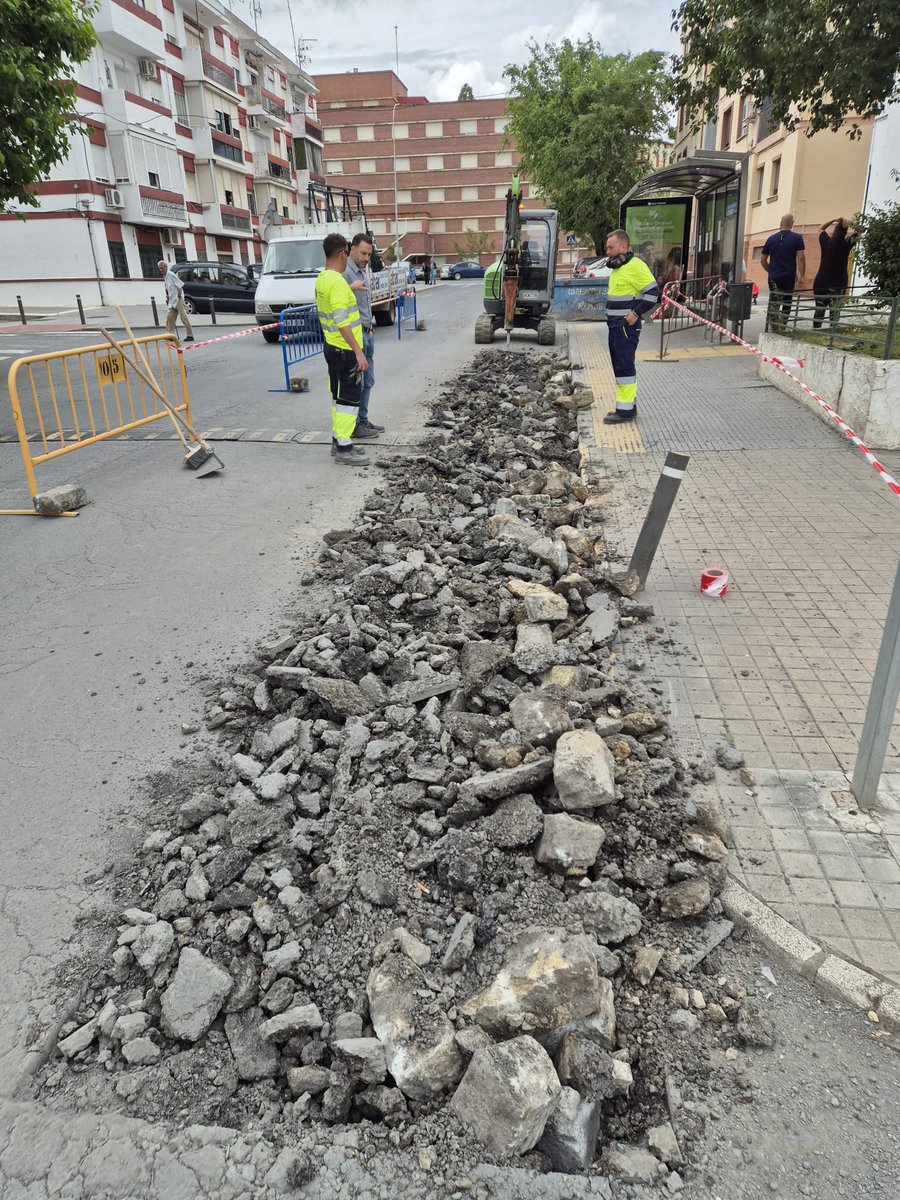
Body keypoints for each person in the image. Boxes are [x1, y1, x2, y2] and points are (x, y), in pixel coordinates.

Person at [314, 232, 370, 467]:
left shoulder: (323, 279)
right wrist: (358, 351)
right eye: (347, 253)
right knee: (349, 399)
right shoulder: (336, 282)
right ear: (342, 253)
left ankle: (339, 440)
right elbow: (341, 320)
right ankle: (345, 447)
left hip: (332, 347)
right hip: (344, 350)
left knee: (339, 397)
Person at [603, 229, 660, 425]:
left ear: (623, 247)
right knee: (620, 366)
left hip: (625, 328)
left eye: (611, 247)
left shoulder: (636, 266)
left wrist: (635, 313)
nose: (607, 251)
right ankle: (628, 407)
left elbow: (653, 293)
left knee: (624, 367)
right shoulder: (619, 269)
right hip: (616, 327)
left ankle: (625, 412)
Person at [343, 231, 385, 441]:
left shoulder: (361, 271)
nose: (366, 258)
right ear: (352, 249)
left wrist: (370, 325)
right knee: (358, 382)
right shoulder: (345, 273)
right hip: (356, 336)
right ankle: (356, 424)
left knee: (368, 381)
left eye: (369, 254)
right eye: (363, 253)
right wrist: (350, 288)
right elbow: (338, 297)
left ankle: (363, 418)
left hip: (367, 333)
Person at [761, 214, 806, 333]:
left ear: (780, 223)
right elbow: (801, 258)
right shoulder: (797, 238)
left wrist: (770, 270)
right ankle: (782, 327)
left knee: (774, 302)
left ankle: (774, 328)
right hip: (788, 276)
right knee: (787, 302)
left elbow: (763, 259)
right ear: (792, 223)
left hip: (774, 276)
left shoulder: (771, 238)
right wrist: (802, 275)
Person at [813, 217, 855, 328]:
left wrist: (833, 220)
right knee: (835, 309)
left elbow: (820, 228)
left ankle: (816, 329)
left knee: (820, 308)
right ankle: (833, 332)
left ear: (835, 230)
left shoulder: (826, 241)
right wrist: (852, 223)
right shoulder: (847, 244)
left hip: (821, 281)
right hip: (839, 282)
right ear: (845, 233)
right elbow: (861, 231)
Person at [158, 260, 194, 342]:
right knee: (169, 317)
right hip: (172, 301)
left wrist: (179, 295)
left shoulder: (171, 274)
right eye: (160, 269)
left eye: (162, 268)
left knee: (183, 317)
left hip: (178, 299)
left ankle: (190, 335)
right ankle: (170, 334)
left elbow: (180, 285)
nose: (161, 270)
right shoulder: (165, 277)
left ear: (166, 267)